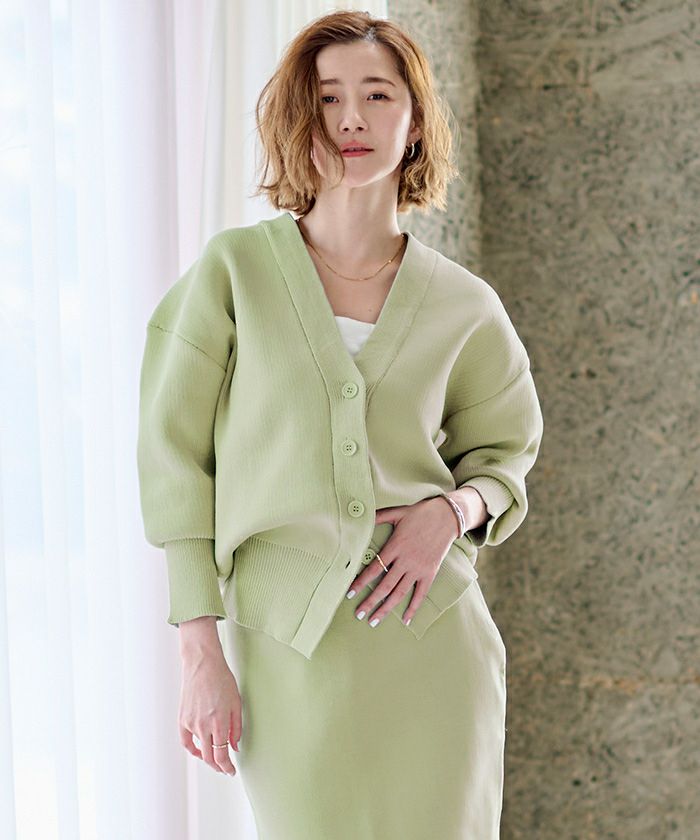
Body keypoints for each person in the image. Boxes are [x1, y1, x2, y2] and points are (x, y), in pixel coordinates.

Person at [137, 10, 544, 839]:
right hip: (286, 653)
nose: (351, 117)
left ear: (415, 120)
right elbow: (174, 464)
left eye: (377, 95)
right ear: (301, 116)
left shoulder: (464, 304)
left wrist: (451, 512)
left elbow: (507, 457)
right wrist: (198, 650)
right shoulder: (233, 274)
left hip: (434, 646)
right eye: (327, 97)